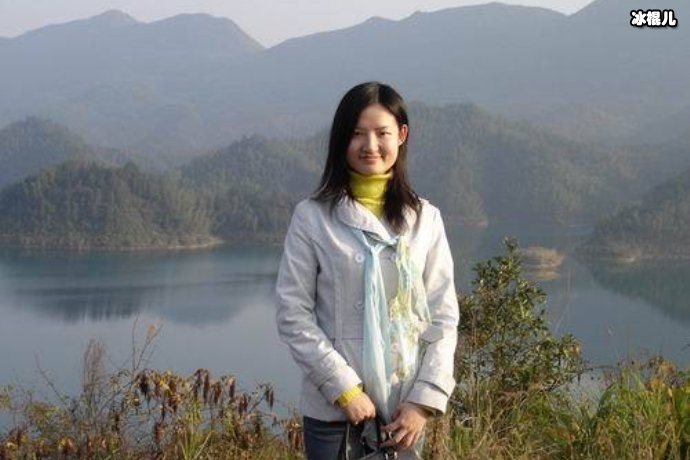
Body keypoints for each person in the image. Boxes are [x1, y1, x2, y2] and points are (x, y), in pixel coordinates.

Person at [275, 82, 459, 460]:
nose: (370, 145)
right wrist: (344, 388)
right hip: (334, 414)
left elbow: (442, 317)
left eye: (381, 133)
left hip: (404, 413)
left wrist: (422, 401)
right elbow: (293, 313)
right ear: (341, 140)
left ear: (402, 135)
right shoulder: (312, 217)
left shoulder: (424, 219)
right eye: (357, 134)